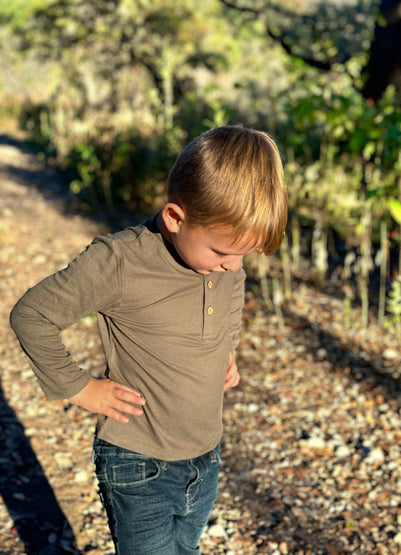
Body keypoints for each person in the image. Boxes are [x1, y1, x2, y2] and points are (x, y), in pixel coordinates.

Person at [10, 125, 288, 554]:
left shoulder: (222, 263)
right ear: (176, 218)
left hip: (205, 455)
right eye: (222, 253)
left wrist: (226, 346)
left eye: (244, 255)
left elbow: (233, 292)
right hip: (139, 463)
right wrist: (80, 387)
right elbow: (32, 315)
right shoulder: (120, 261)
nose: (233, 267)